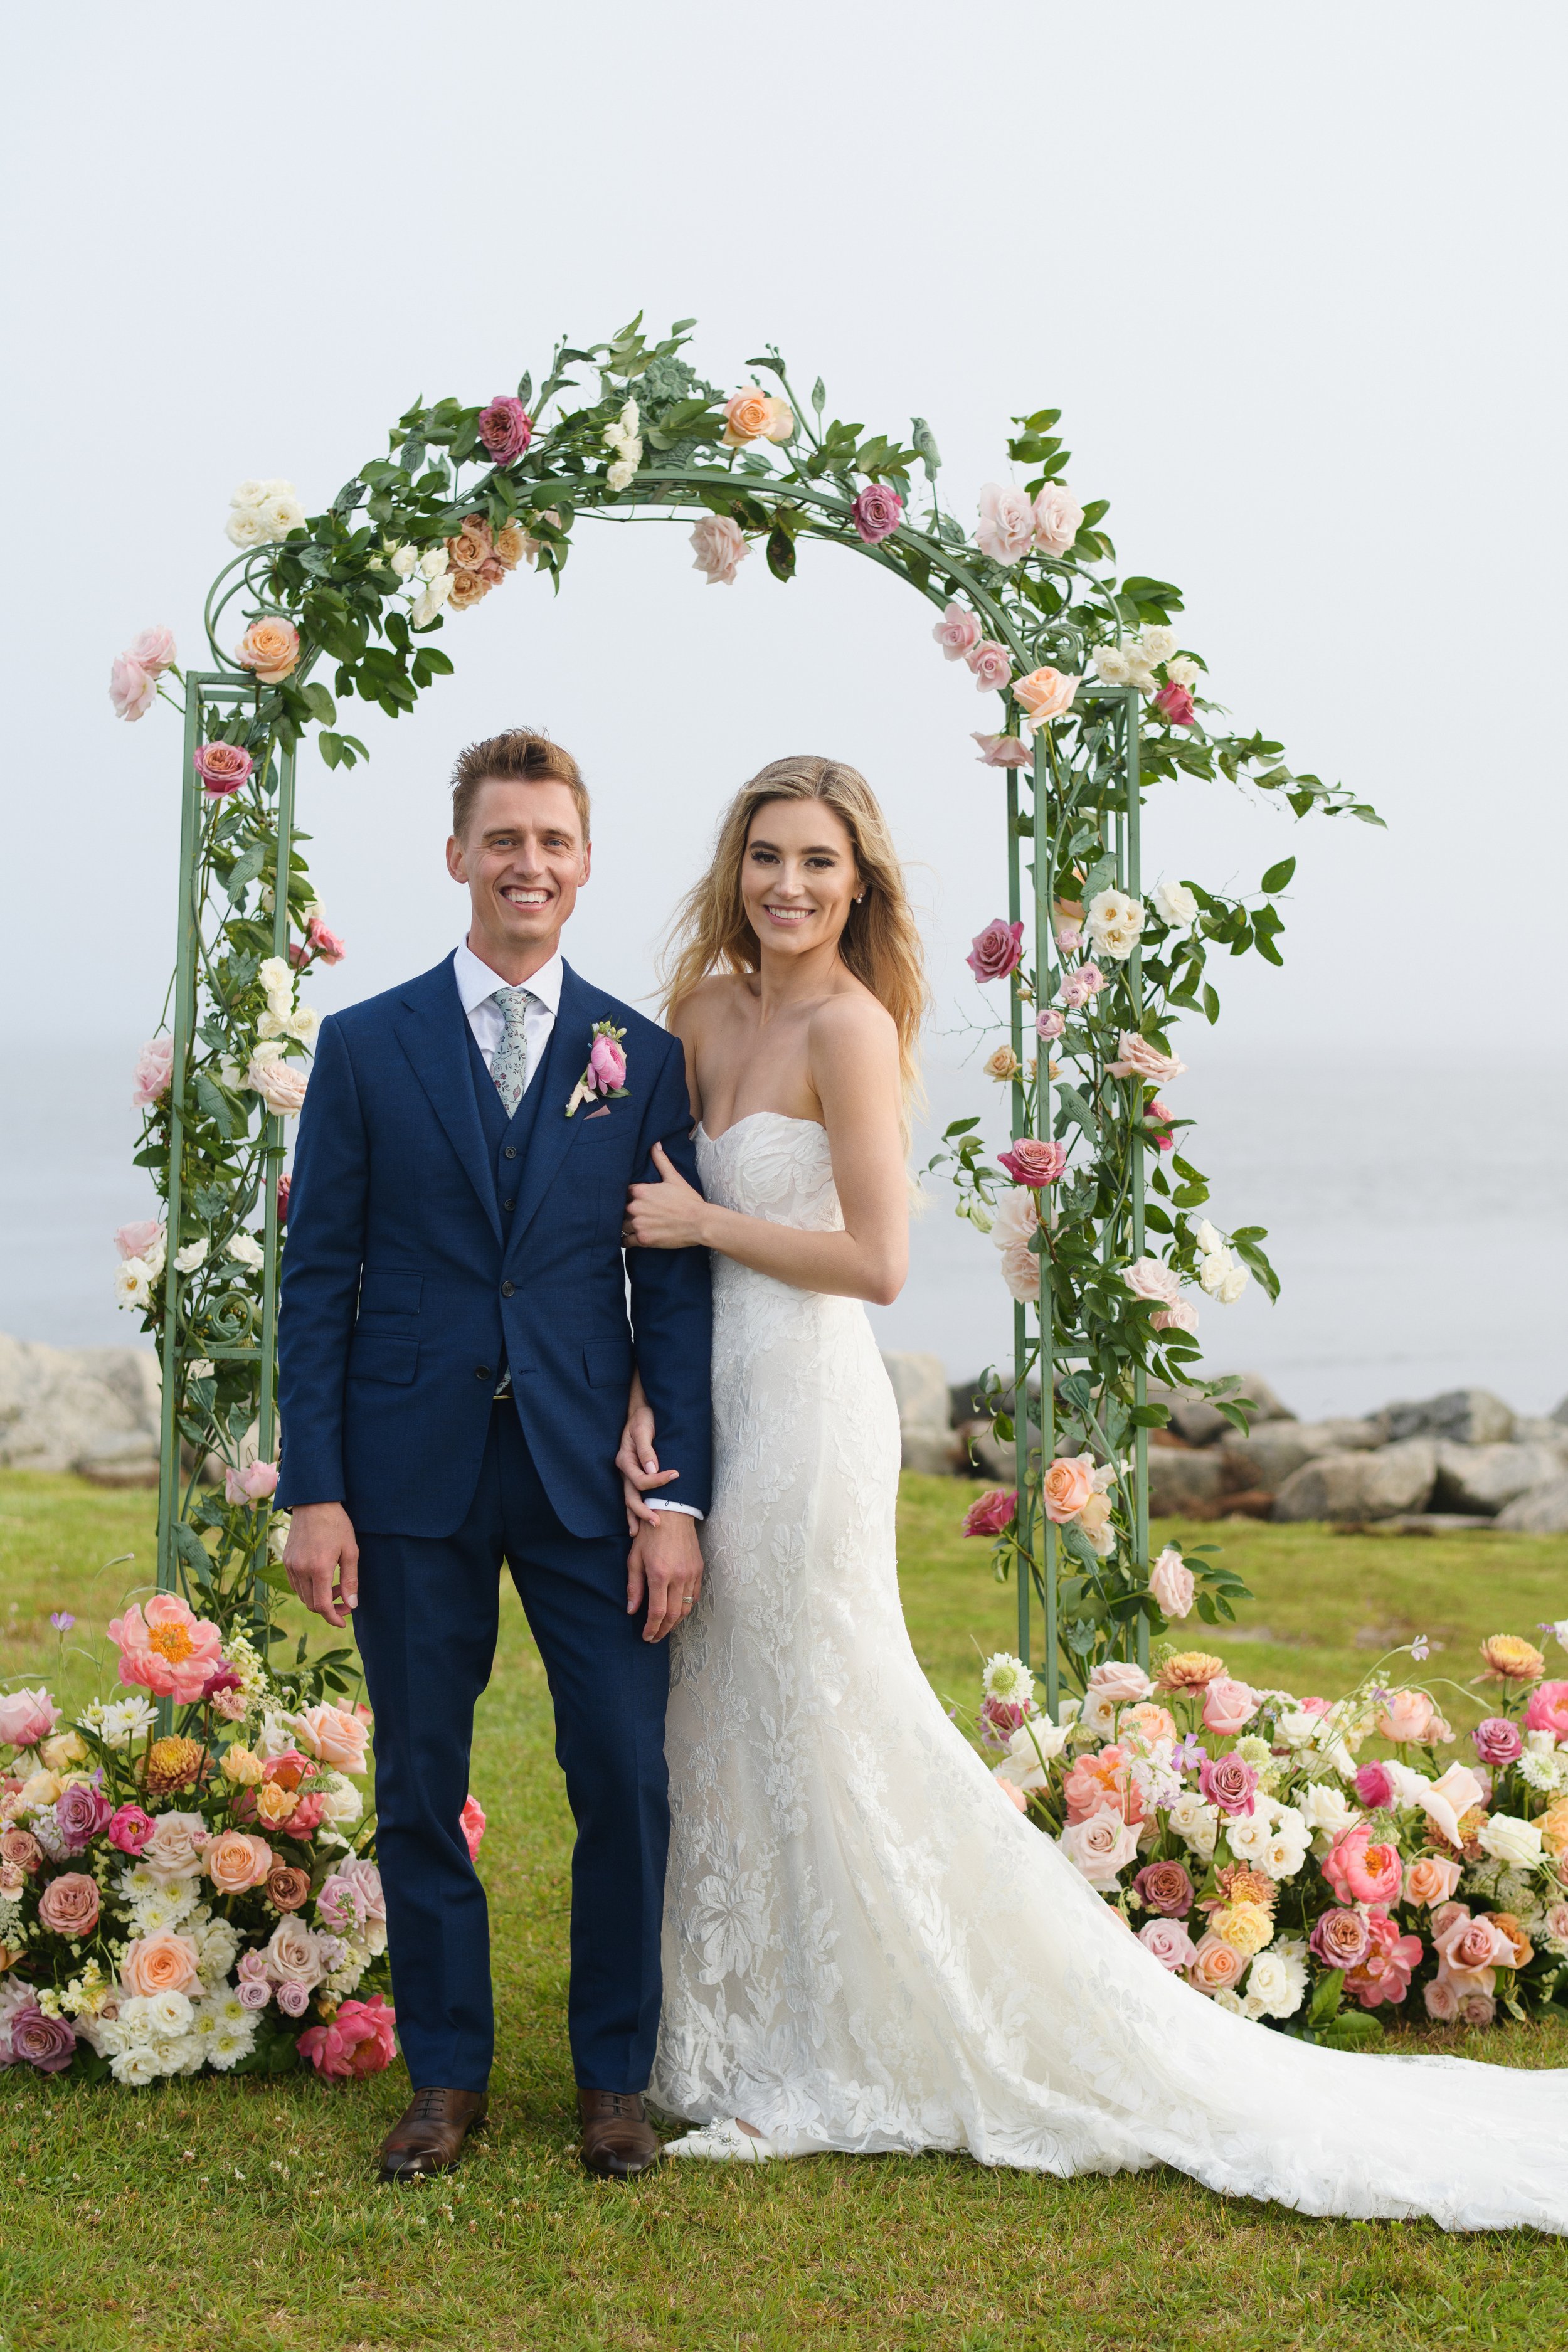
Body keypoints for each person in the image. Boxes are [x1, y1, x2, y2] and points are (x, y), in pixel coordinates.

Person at [618, 753, 1568, 2231]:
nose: (787, 887)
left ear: (858, 881)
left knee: (820, 1703)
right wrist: (642, 1389)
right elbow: (650, 1250)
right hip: (705, 1395)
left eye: (815, 861)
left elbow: (874, 1262)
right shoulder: (696, 1014)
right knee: (721, 1704)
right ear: (732, 869)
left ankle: (844, 2045)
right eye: (764, 858)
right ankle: (738, 2027)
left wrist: (705, 1217)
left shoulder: (851, 1029)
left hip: (805, 1401)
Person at [277, 727, 711, 2184]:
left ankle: (613, 2082)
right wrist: (316, 1489)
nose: (529, 864)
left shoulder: (637, 1060)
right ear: (457, 855)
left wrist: (679, 1498)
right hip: (407, 1470)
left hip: (595, 1473)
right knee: (419, 1777)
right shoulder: (364, 1043)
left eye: (555, 842)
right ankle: (444, 2077)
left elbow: (678, 1295)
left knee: (622, 1777)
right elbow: (317, 1277)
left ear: (584, 865)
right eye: (504, 839)